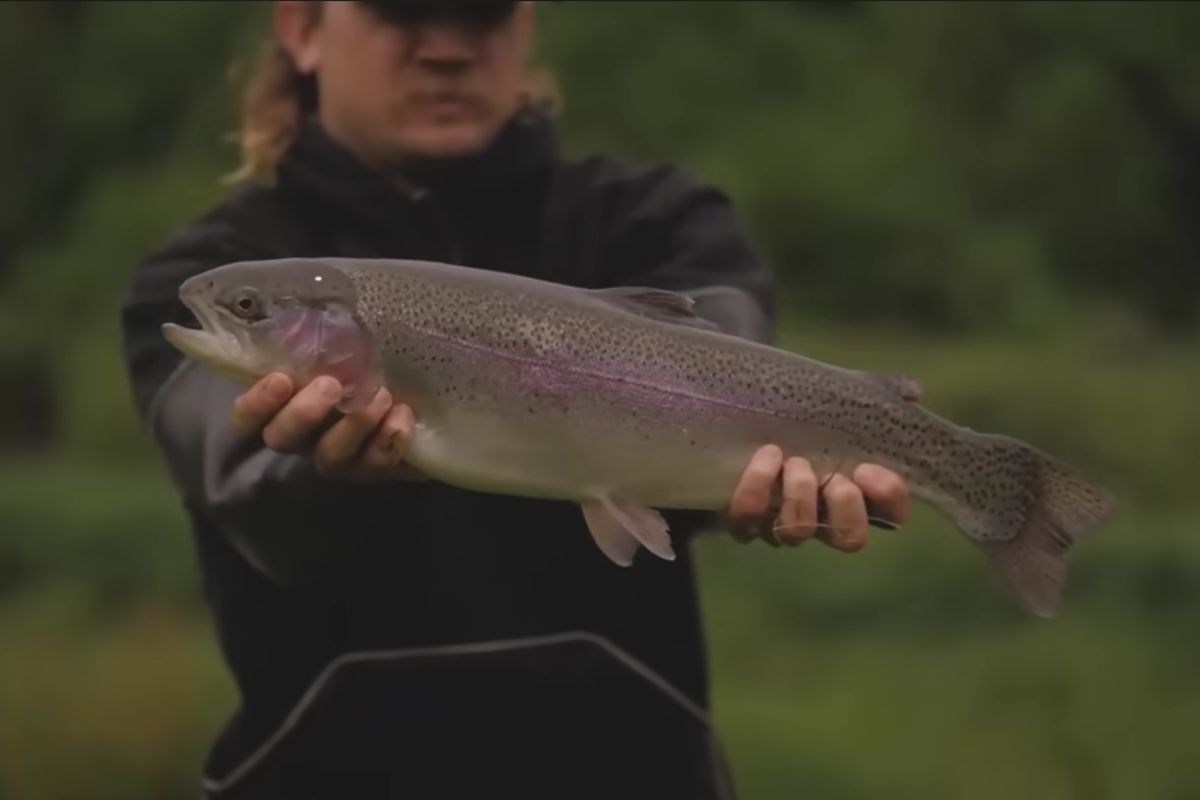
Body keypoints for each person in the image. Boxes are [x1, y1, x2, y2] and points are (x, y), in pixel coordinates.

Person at [120, 2, 910, 798]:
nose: (448, 50)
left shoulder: (659, 222)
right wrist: (314, 474)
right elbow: (244, 495)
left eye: (481, 14)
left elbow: (733, 404)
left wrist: (781, 486)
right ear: (302, 28)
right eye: (404, 11)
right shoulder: (209, 275)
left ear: (524, 25)